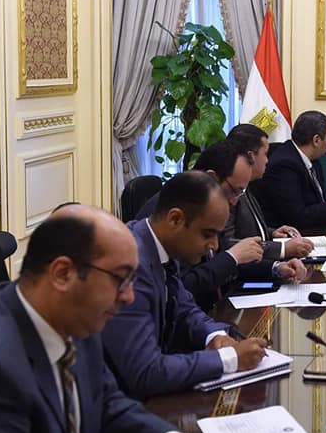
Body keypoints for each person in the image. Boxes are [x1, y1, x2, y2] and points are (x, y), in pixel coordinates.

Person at [0, 205, 216, 433]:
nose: (129, 297)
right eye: (120, 279)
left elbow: (107, 406)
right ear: (63, 273)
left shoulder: (75, 319)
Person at [103, 171, 269, 400]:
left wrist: (214, 336)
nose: (214, 246)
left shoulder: (162, 247)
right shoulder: (130, 264)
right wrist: (230, 359)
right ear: (175, 219)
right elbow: (145, 373)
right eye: (208, 234)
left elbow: (186, 309)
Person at [138, 140, 305, 311]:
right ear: (213, 177)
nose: (235, 201)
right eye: (235, 191)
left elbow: (224, 261)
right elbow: (184, 286)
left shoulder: (209, 207)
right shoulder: (176, 210)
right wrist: (231, 257)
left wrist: (276, 268)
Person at [253, 110, 326, 230]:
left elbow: (321, 197)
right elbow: (298, 217)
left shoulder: (313, 159)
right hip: (293, 234)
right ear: (316, 140)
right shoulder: (284, 165)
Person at [227, 124, 314, 261]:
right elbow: (228, 245)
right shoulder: (230, 190)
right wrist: (283, 249)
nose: (268, 161)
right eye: (265, 154)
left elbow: (247, 229)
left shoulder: (247, 185)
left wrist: (272, 232)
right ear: (251, 156)